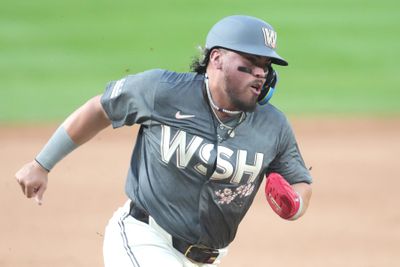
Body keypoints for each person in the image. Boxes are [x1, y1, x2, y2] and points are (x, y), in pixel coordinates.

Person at [15, 15, 312, 267]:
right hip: (144, 237)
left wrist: (294, 204)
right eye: (250, 62)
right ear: (217, 59)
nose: (261, 73)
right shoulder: (163, 92)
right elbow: (100, 109)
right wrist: (42, 163)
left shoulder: (273, 125)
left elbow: (300, 180)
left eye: (266, 66)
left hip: (209, 258)